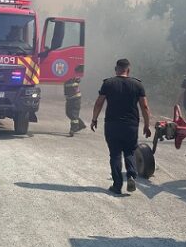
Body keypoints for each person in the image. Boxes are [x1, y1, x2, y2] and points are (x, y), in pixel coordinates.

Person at [90, 58, 151, 195]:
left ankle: (117, 186)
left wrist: (94, 119)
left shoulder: (108, 83)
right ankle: (130, 176)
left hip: (112, 124)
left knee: (115, 154)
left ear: (116, 69)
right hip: (131, 125)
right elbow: (145, 107)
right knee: (130, 151)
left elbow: (99, 103)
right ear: (128, 70)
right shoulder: (137, 85)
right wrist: (147, 125)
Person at [64, 65, 86, 136]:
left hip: (75, 98)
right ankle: (81, 124)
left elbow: (78, 79)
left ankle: (73, 129)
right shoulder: (68, 76)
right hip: (70, 98)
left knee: (74, 114)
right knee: (68, 113)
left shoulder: (76, 76)